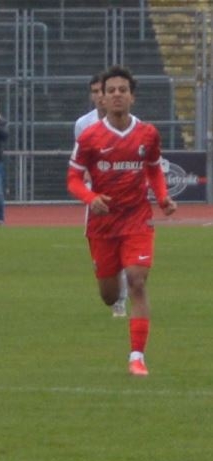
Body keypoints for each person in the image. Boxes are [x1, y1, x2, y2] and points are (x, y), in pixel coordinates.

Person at [68, 65, 177, 377]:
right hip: (102, 224)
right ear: (103, 97)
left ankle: (137, 357)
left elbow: (154, 168)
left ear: (132, 97)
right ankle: (104, 271)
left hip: (137, 219)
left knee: (138, 282)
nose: (116, 95)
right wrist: (92, 199)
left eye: (122, 90)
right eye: (110, 90)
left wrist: (163, 196)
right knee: (110, 296)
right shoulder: (89, 136)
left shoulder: (147, 133)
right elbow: (73, 180)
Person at [74, 74, 128, 318]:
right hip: (95, 196)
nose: (99, 96)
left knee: (124, 249)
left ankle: (121, 301)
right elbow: (78, 161)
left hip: (122, 196)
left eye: (101, 91)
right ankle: (112, 291)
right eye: (95, 92)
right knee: (101, 253)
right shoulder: (83, 124)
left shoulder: (124, 123)